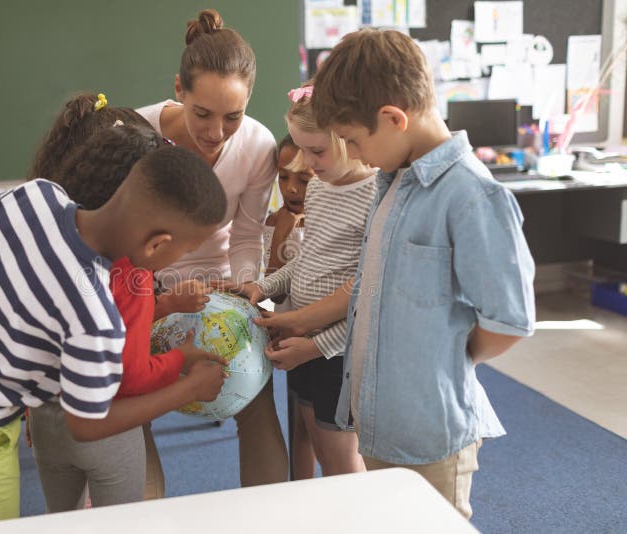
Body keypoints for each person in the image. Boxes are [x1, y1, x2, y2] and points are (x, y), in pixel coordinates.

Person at [0, 144, 228, 531]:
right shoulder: (94, 313)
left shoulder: (33, 194)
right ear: (157, 243)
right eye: (186, 249)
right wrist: (188, 389)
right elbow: (87, 424)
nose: (179, 259)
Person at [312, 28, 536, 518]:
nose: (354, 155)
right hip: (378, 423)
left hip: (431, 433)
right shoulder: (390, 182)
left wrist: (450, 359)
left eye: (353, 140)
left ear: (393, 118)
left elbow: (509, 319)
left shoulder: (473, 196)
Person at [25, 98, 227, 512]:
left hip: (45, 418)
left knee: (60, 519)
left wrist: (167, 303)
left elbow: (85, 329)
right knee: (124, 520)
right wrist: (182, 370)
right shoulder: (132, 273)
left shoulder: (53, 241)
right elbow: (130, 377)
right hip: (106, 426)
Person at [137, 8, 287, 495]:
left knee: (255, 394)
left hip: (221, 280)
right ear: (179, 89)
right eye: (202, 113)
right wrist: (150, 294)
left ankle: (268, 521)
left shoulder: (259, 144)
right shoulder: (138, 135)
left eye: (233, 117)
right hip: (145, 278)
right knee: (129, 408)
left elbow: (247, 234)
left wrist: (245, 285)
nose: (216, 133)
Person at [223, 82, 375, 479]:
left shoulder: (375, 194)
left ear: (346, 136)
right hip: (302, 340)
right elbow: (307, 262)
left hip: (335, 350)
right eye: (302, 150)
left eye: (317, 151)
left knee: (339, 458)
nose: (308, 162)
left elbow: (370, 298)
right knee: (313, 441)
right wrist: (264, 287)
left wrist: (316, 346)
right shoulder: (322, 187)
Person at [262, 135, 310, 281]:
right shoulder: (274, 222)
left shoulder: (334, 221)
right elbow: (276, 296)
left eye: (304, 180)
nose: (291, 188)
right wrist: (280, 235)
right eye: (283, 177)